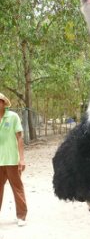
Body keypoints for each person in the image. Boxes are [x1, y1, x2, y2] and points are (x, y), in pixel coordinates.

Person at [0, 93, 27, 226]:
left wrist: (21, 159)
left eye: (0, 101)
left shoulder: (13, 117)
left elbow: (19, 138)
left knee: (17, 188)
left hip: (12, 160)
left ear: (4, 103)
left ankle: (21, 216)